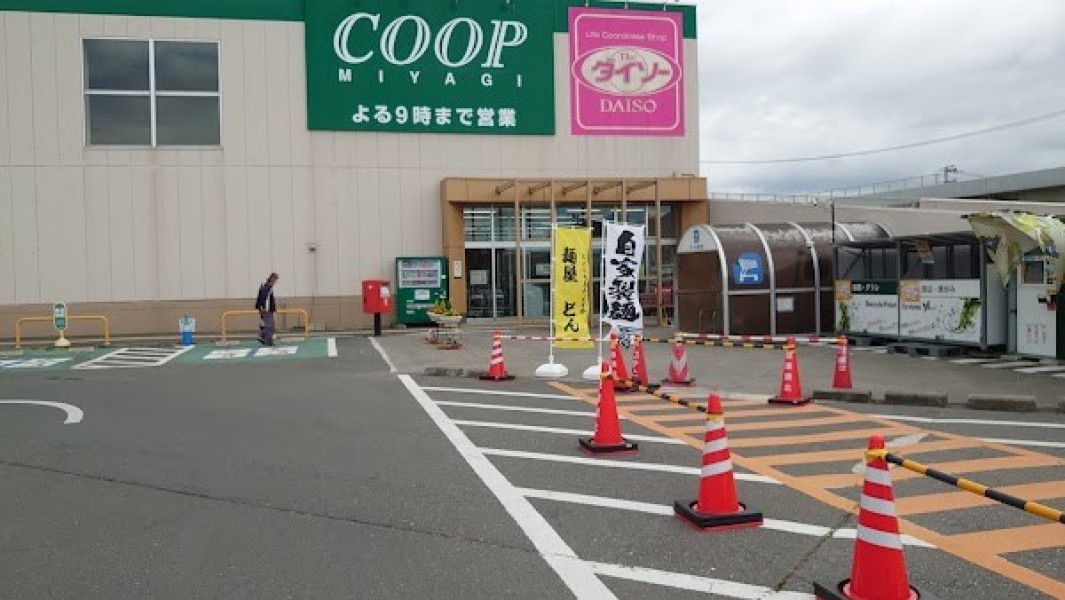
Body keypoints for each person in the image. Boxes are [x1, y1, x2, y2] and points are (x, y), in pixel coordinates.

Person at [255, 272, 279, 346]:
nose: (275, 282)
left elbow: (265, 299)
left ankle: (265, 338)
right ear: (272, 279)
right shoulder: (267, 288)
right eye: (275, 280)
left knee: (269, 324)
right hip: (267, 309)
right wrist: (263, 308)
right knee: (269, 325)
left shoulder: (266, 286)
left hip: (267, 309)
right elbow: (265, 299)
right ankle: (266, 339)